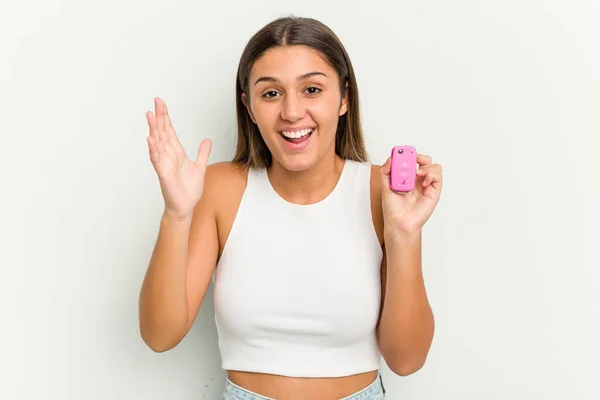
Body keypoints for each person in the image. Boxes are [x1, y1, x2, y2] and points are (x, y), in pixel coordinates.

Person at [138, 15, 443, 400]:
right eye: (271, 94)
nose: (292, 112)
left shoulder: (381, 192)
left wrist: (404, 234)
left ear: (344, 98)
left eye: (312, 89)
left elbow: (407, 360)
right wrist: (177, 214)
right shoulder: (219, 188)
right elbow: (159, 335)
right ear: (249, 107)